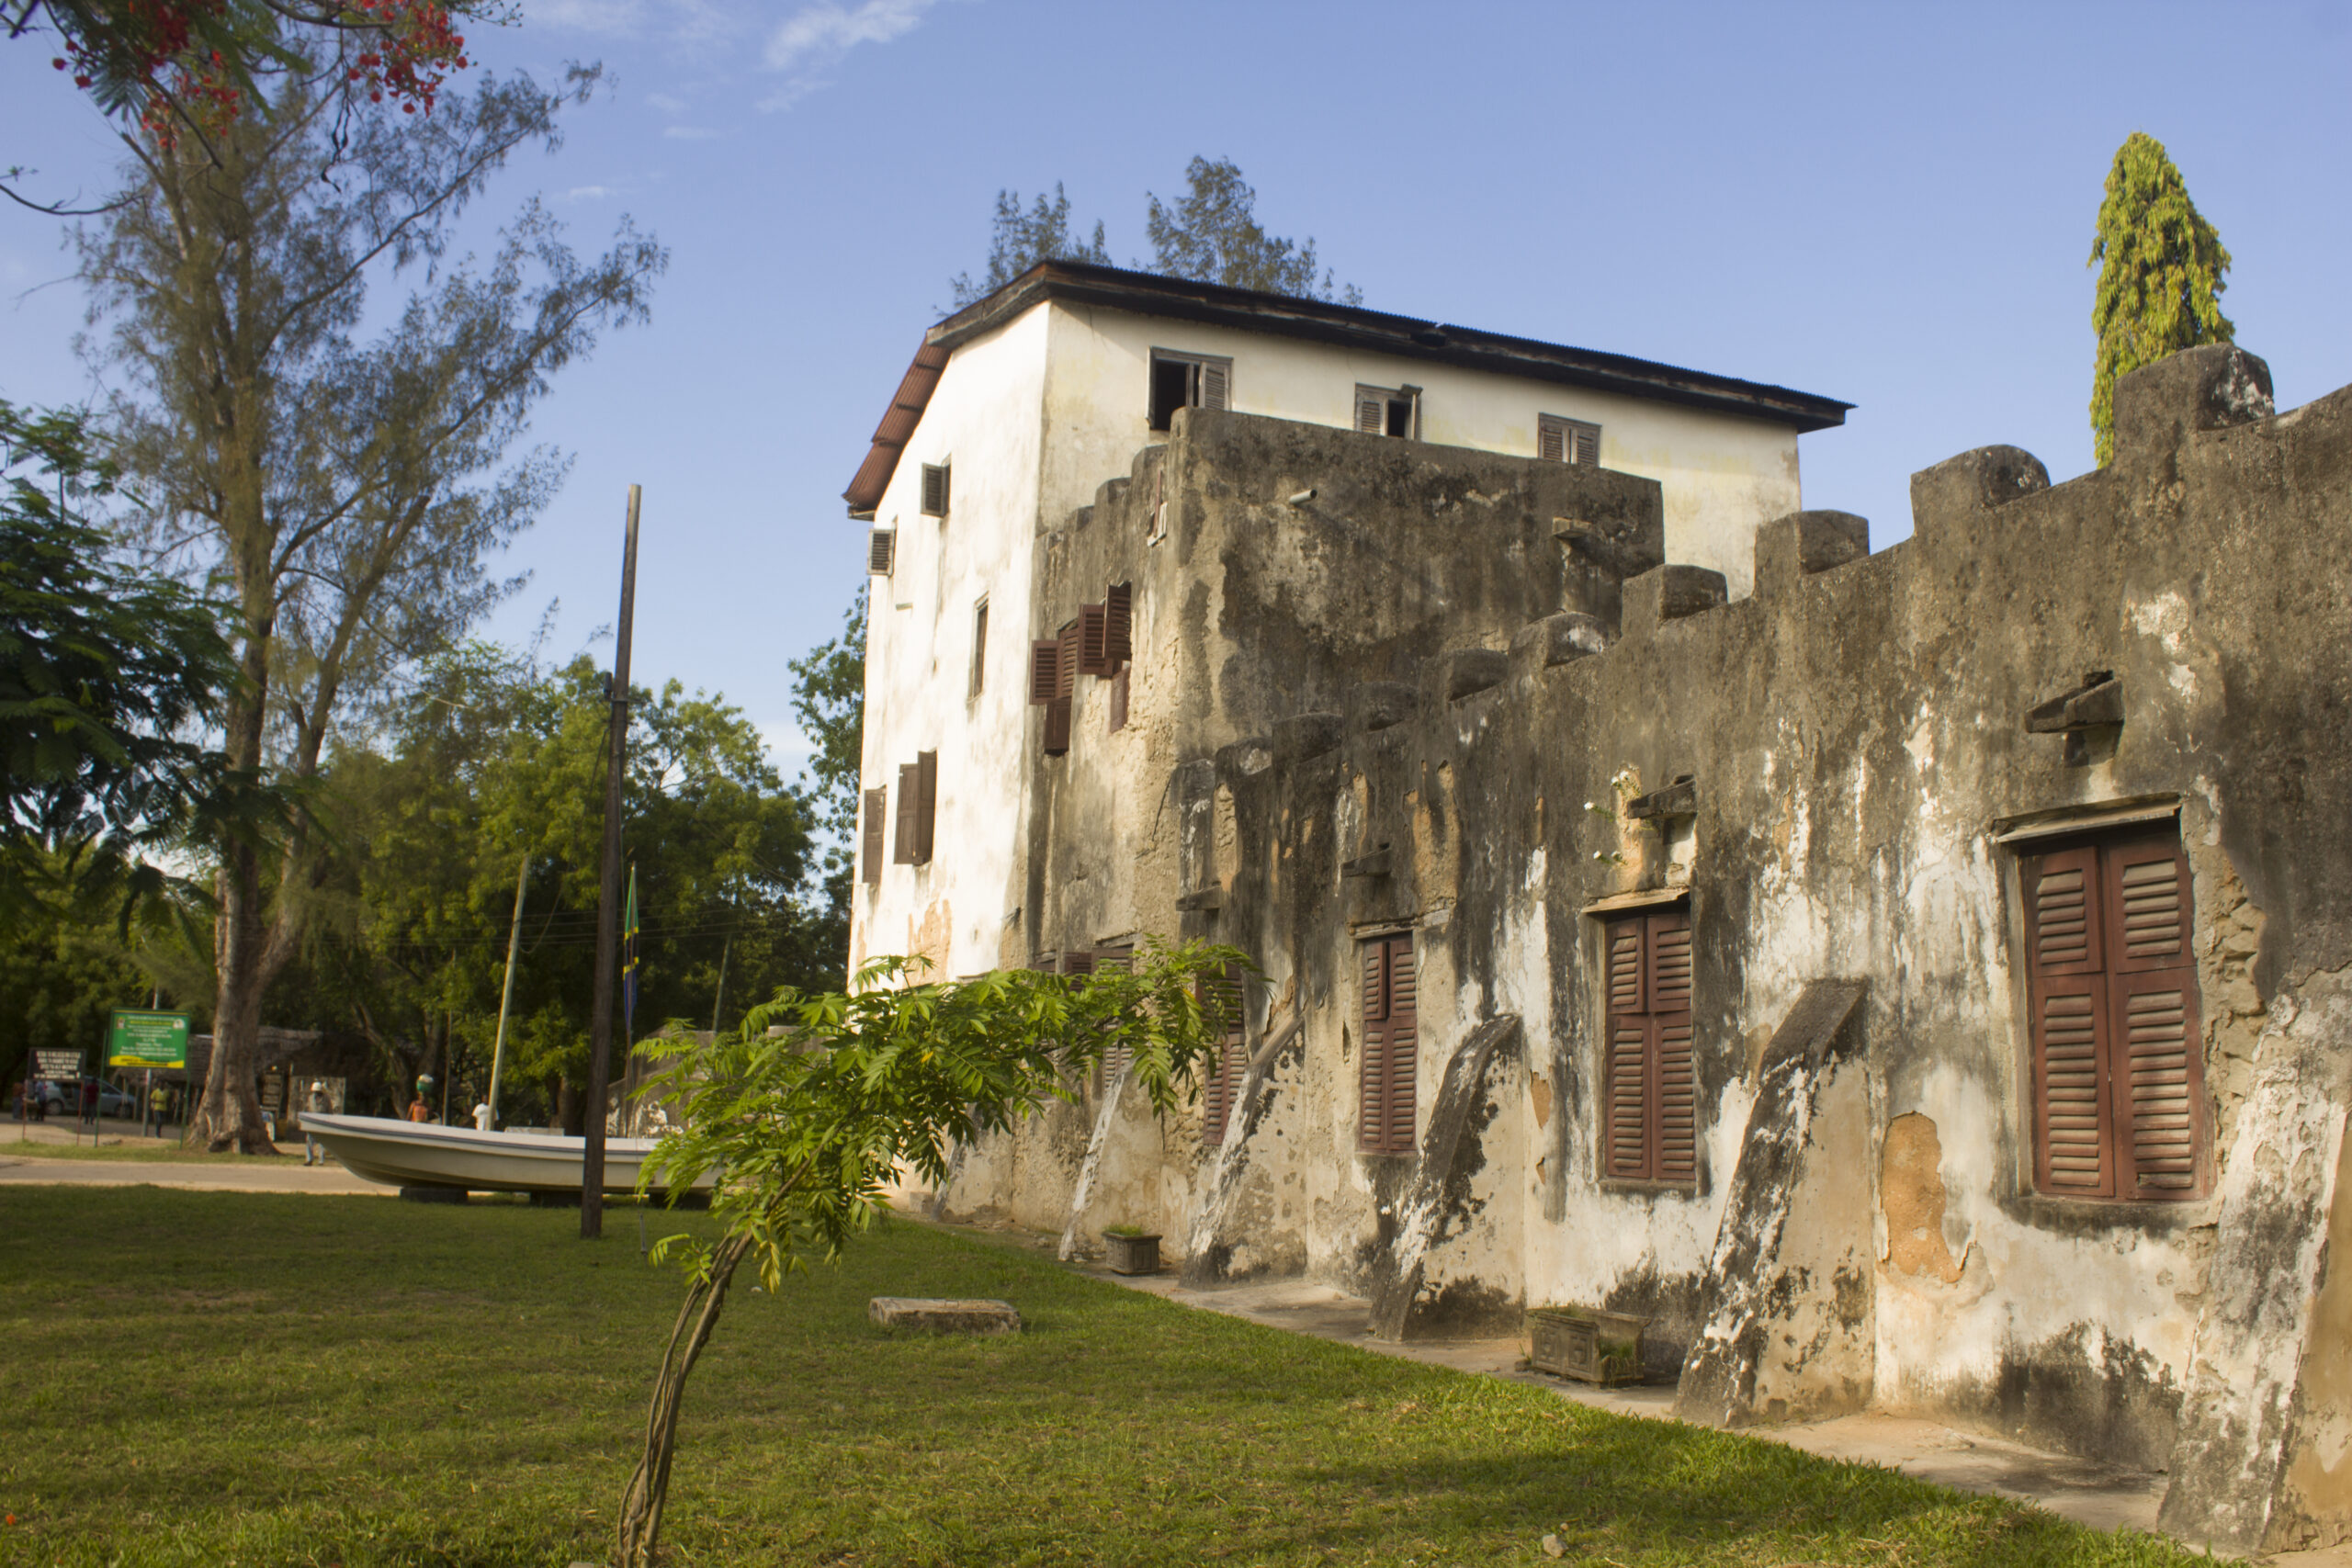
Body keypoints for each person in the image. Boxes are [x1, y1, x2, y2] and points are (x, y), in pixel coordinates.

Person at [302, 1081, 332, 1165]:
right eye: (315, 1091)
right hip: (313, 1122)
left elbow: (330, 1110)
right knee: (309, 1140)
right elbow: (307, 1109)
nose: (316, 1093)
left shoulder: (326, 1098)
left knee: (322, 1142)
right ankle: (309, 1159)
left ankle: (321, 1161)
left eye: (317, 1092)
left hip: (323, 1122)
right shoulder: (310, 1098)